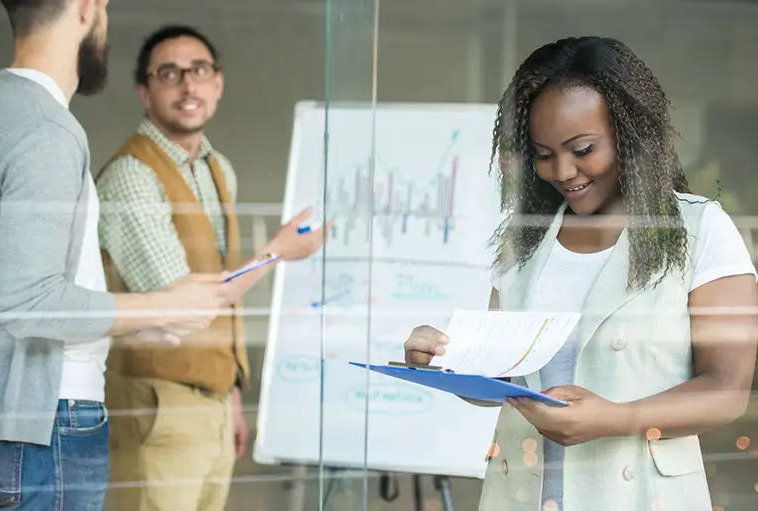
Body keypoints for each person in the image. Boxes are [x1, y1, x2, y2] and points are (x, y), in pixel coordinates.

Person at [404, 36, 758, 511]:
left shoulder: (696, 228)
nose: (562, 171)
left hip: (640, 496)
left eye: (583, 148)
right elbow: (501, 382)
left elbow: (727, 392)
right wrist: (445, 361)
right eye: (543, 153)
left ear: (631, 137)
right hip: (523, 494)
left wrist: (613, 418)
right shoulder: (526, 237)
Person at [0, 2, 237, 510]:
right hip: (49, 420)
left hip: (15, 416)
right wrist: (164, 307)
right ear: (88, 8)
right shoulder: (46, 129)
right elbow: (31, 303)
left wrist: (143, 323)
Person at [96, 25, 326, 511]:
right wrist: (277, 252)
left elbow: (224, 304)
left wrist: (230, 397)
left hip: (212, 400)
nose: (187, 85)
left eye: (199, 70)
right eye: (169, 73)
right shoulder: (132, 174)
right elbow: (181, 305)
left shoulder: (217, 167)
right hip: (157, 401)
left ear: (217, 83)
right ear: (145, 90)